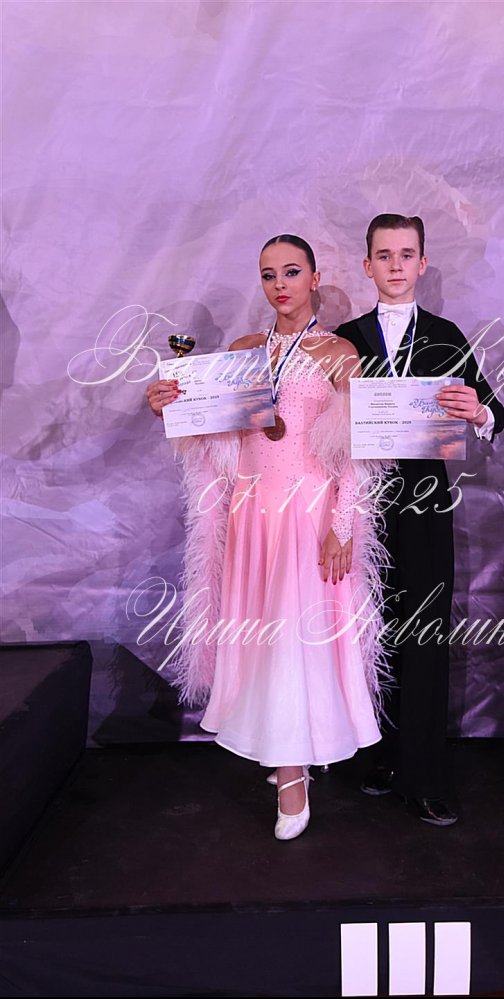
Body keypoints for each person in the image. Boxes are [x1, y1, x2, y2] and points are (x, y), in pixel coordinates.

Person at [146, 234, 395, 841]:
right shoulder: (243, 352)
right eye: (268, 274)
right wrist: (170, 406)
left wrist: (342, 526)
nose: (280, 284)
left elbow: (355, 453)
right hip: (250, 514)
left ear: (315, 278)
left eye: (291, 271)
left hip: (307, 514)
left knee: (294, 639)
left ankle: (292, 777)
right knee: (262, 637)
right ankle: (279, 744)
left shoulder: (339, 352)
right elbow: (213, 437)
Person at [332, 214, 504, 826]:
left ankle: (426, 776)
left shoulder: (444, 334)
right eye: (384, 255)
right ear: (368, 265)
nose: (396, 265)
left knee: (425, 635)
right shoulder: (344, 339)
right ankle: (383, 758)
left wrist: (477, 410)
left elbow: (494, 410)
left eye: (407, 254)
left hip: (426, 506)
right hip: (360, 506)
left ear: (423, 264)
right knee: (370, 635)